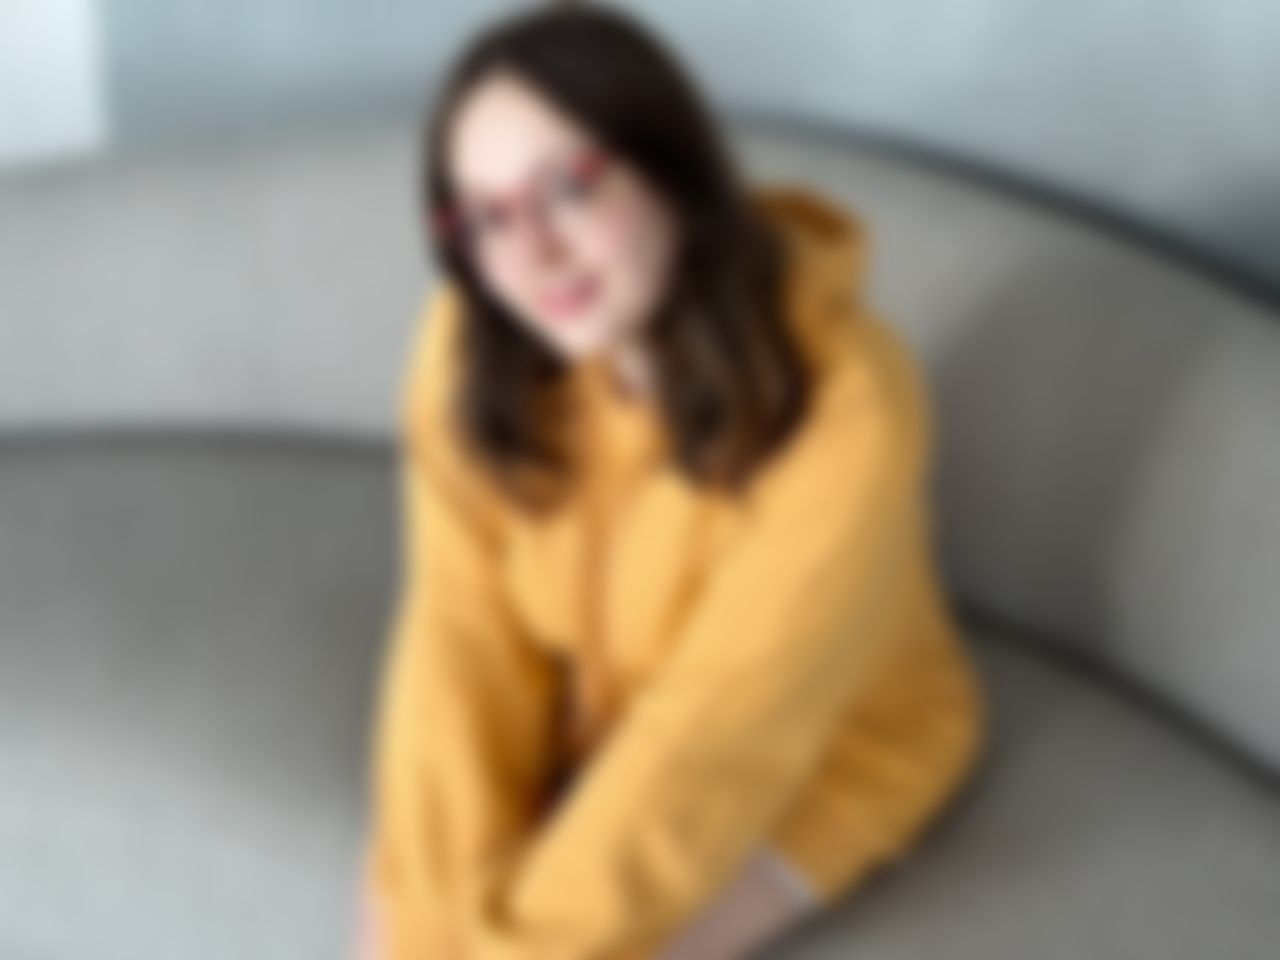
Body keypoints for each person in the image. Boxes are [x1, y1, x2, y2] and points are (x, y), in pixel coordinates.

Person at [356, 3, 987, 958]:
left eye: (567, 188)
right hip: (593, 727)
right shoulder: (467, 341)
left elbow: (715, 741)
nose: (532, 256)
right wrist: (428, 918)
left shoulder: (849, 404)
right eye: (488, 217)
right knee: (405, 912)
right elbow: (459, 640)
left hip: (820, 752)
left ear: (671, 167)